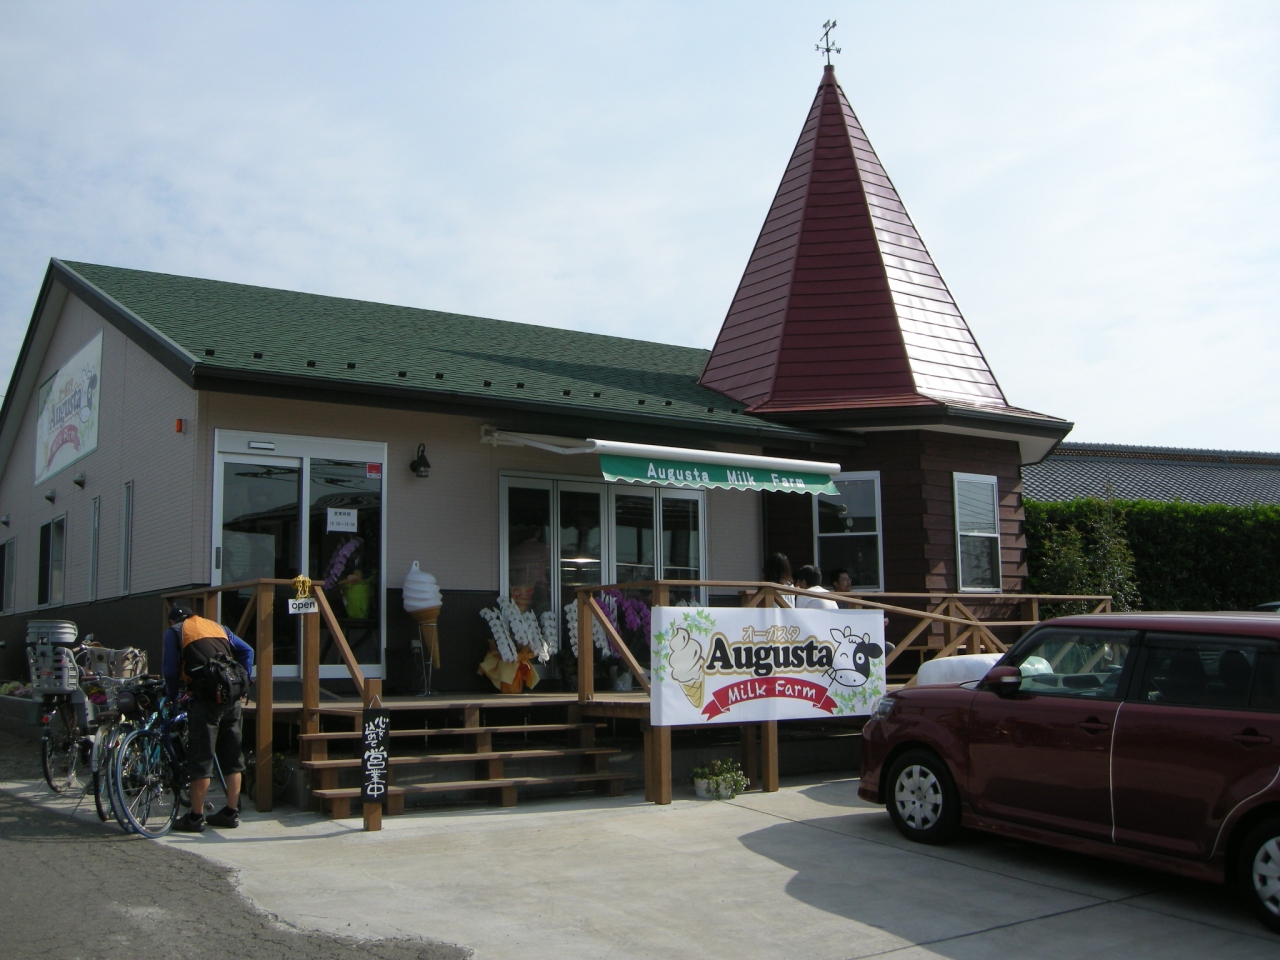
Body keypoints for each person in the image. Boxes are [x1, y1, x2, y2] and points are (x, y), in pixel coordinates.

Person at [162, 604, 254, 833]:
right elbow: (248, 651)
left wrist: (172, 697)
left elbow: (170, 670)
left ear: (173, 620)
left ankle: (195, 817)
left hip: (204, 699)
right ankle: (231, 813)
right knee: (233, 758)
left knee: (201, 760)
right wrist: (243, 682)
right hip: (231, 698)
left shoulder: (175, 632)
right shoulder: (218, 627)